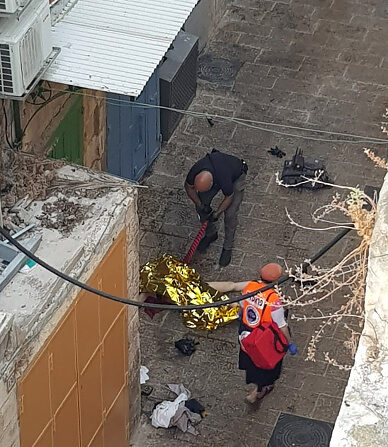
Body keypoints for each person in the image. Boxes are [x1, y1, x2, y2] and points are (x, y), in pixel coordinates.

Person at [209, 263, 296, 403]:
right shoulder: (274, 301)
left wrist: (204, 285)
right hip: (265, 340)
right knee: (266, 367)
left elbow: (234, 289)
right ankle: (261, 390)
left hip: (246, 336)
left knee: (251, 362)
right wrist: (288, 343)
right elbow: (282, 326)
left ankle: (257, 386)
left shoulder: (250, 286)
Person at [185, 149, 248, 267]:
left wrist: (217, 213)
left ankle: (227, 247)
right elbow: (189, 188)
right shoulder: (195, 170)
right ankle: (211, 234)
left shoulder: (224, 178)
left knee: (230, 214)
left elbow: (229, 196)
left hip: (236, 176)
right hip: (217, 173)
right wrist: (201, 205)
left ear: (213, 182)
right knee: (202, 202)